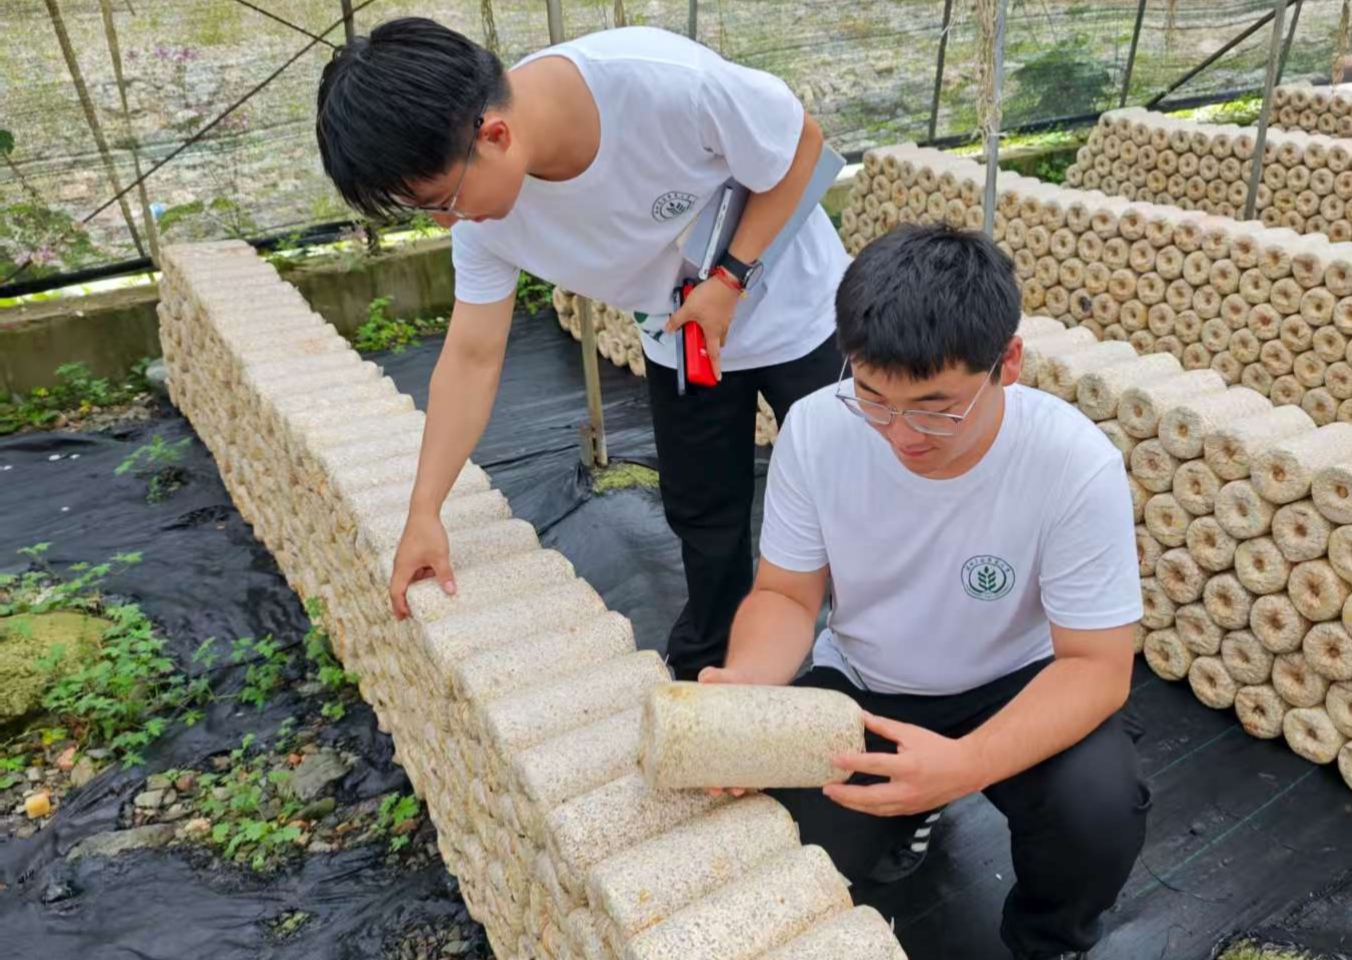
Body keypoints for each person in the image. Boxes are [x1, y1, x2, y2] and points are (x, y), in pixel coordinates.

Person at [313, 18, 848, 680]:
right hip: (681, 333)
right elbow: (472, 358)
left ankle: (863, 660)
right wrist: (424, 513)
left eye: (440, 201)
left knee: (846, 493)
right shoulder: (484, 225)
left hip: (798, 311)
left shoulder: (663, 87)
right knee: (704, 510)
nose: (448, 222)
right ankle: (715, 668)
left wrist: (730, 277)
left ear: (494, 136)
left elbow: (804, 147)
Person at [700, 223, 1151, 960]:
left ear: (1007, 362)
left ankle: (1047, 939)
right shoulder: (818, 429)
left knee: (1097, 812)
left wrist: (965, 762)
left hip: (1016, 682)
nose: (901, 434)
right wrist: (749, 687)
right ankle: (911, 810)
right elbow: (785, 595)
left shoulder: (1073, 464)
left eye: (937, 407)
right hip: (869, 681)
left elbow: (1097, 669)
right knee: (789, 848)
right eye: (874, 398)